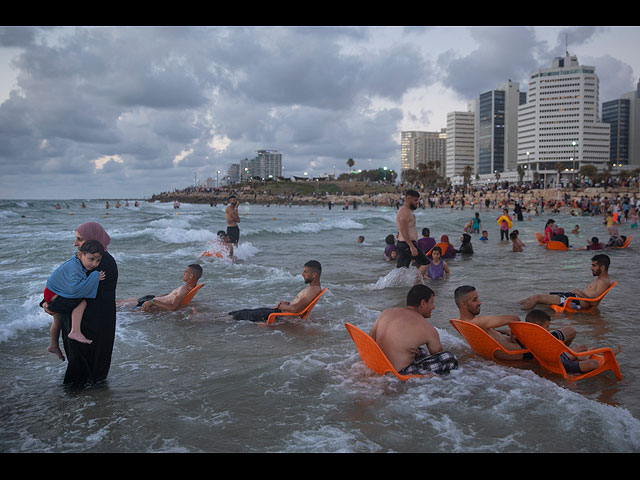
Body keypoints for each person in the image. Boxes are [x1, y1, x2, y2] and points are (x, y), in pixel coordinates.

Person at [43, 222, 118, 387]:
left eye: (79, 239)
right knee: (90, 374)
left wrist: (53, 306)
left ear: (92, 239)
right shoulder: (91, 259)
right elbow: (68, 286)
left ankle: (87, 408)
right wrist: (48, 301)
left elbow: (78, 293)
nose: (75, 243)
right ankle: (92, 405)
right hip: (92, 323)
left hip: (91, 325)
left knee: (80, 376)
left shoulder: (100, 262)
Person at [369, 284, 458, 376]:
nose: (433, 307)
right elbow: (438, 355)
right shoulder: (427, 328)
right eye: (431, 303)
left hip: (379, 366)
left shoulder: (386, 312)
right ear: (423, 303)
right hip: (399, 373)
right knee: (448, 358)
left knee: (420, 351)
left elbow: (370, 340)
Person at [41, 240, 106, 360]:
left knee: (58, 321)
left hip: (50, 293)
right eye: (91, 259)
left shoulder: (77, 262)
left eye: (98, 260)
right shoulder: (74, 267)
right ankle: (75, 331)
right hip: (54, 294)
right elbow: (74, 290)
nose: (95, 264)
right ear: (80, 255)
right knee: (82, 302)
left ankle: (53, 345)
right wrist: (94, 277)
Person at [516, 309, 621, 374]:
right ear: (538, 327)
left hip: (557, 358)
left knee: (583, 347)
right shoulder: (547, 339)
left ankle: (582, 356)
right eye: (547, 327)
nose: (548, 329)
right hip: (563, 365)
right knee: (593, 363)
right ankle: (607, 356)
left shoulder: (528, 338)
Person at [226, 260, 322, 322]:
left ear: (314, 275)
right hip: (279, 312)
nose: (302, 274)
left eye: (305, 272)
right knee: (245, 312)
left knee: (243, 315)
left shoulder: (313, 290)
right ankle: (218, 317)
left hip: (279, 316)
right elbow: (299, 305)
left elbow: (295, 309)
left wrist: (284, 306)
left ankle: (215, 321)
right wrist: (288, 303)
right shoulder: (312, 288)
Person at [519, 254, 613, 311]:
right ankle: (515, 306)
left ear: (602, 267)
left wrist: (579, 292)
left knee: (536, 298)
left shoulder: (603, 282)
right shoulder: (599, 279)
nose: (591, 268)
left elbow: (594, 303)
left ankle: (520, 313)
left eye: (594, 266)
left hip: (573, 302)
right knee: (532, 297)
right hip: (572, 298)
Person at [454, 285, 524, 360]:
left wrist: (503, 332)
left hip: (503, 349)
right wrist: (514, 334)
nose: (479, 302)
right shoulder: (480, 322)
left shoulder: (459, 322)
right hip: (521, 350)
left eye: (478, 299)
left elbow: (488, 334)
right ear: (463, 304)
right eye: (475, 300)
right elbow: (515, 318)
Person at [117, 264, 203, 312]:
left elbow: (172, 307)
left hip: (150, 304)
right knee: (118, 303)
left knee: (117, 306)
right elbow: (172, 298)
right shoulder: (189, 288)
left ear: (191, 276)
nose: (184, 273)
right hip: (152, 299)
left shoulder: (184, 289)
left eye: (186, 272)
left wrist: (153, 301)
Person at [395, 190, 430, 275]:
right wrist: (411, 246)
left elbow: (403, 229)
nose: (417, 202)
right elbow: (403, 229)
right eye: (415, 200)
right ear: (409, 199)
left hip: (406, 244)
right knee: (425, 263)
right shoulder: (405, 211)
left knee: (402, 270)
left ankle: (404, 285)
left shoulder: (406, 211)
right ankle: (413, 284)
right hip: (406, 244)